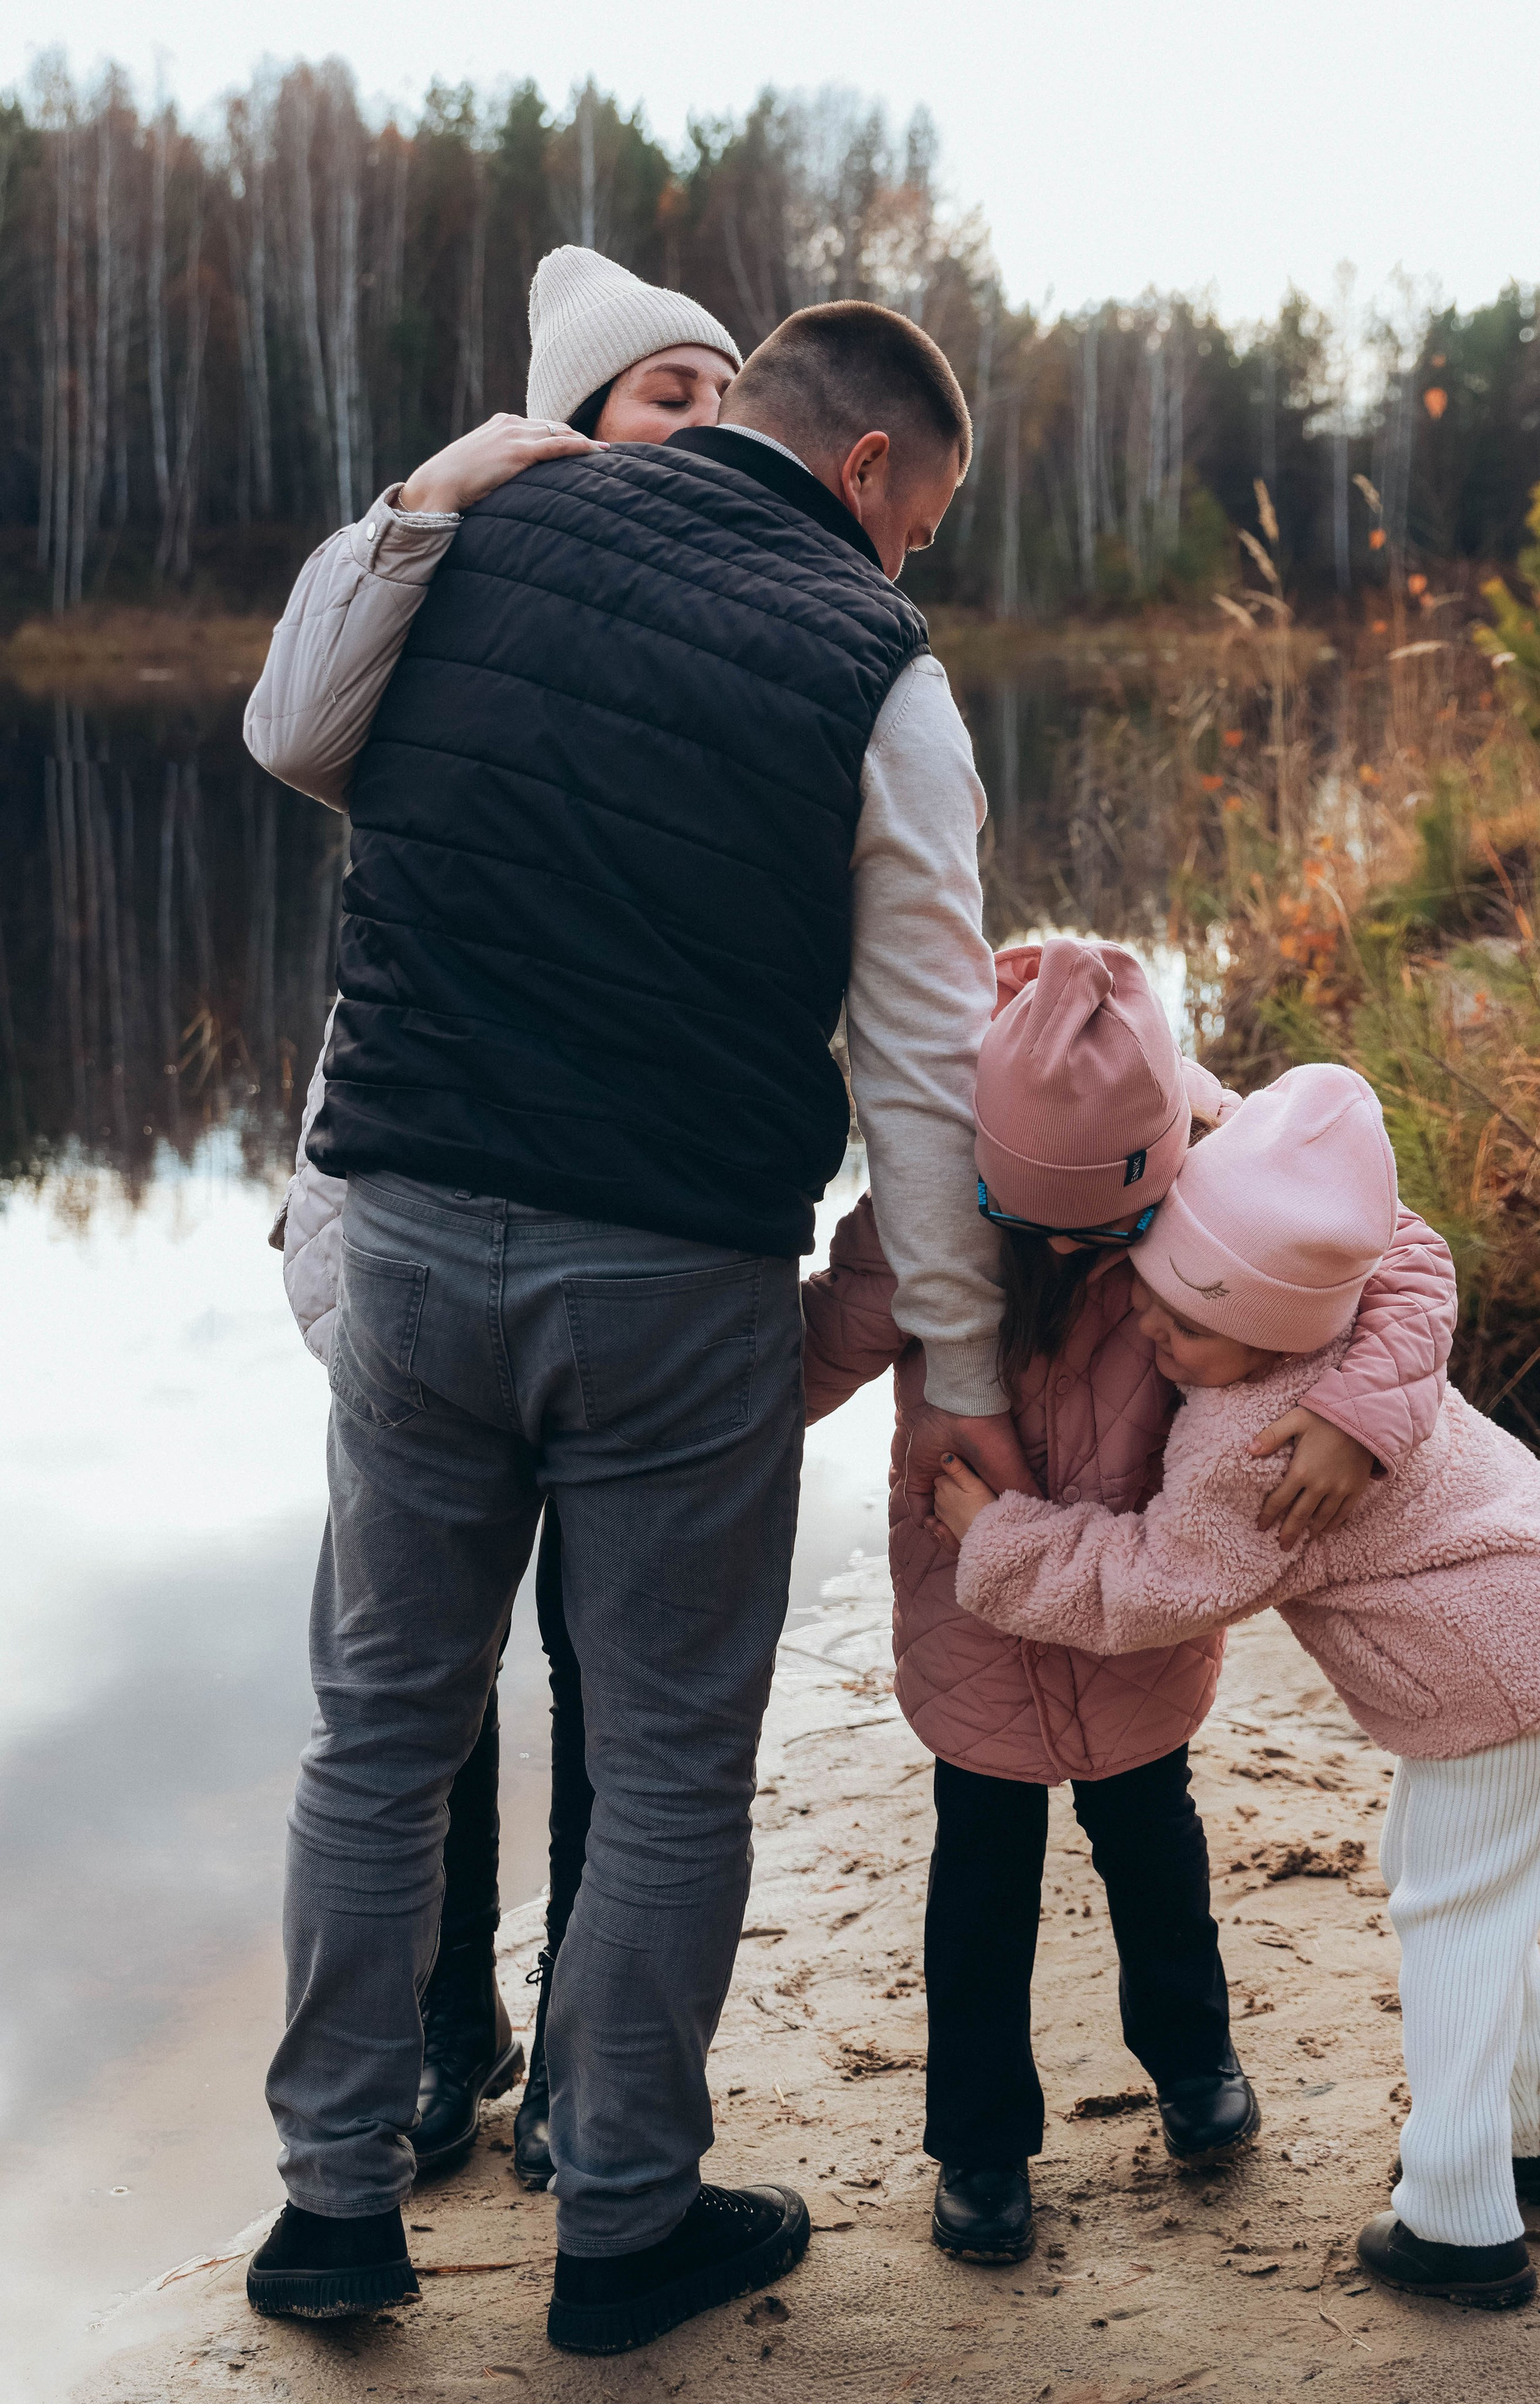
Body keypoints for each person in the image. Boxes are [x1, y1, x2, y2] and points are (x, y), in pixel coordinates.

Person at [245, 287, 1036, 2357]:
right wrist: (957, 1372)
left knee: (381, 1728)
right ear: (870, 468)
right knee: (674, 1758)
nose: (907, 566)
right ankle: (621, 2221)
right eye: (922, 523)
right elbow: (931, 1077)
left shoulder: (481, 535)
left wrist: (424, 489)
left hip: (407, 1233)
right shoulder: (879, 664)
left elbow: (292, 731)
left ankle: (331, 2209)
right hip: (670, 1278)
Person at [254, 249, 746, 2195]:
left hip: (629, 1229)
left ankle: (566, 2091)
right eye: (665, 396)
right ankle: (433, 2053)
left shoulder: (756, 614)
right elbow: (295, 731)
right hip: (418, 1213)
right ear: (572, 422)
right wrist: (430, 496)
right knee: (418, 1688)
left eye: (729, 396)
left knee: (606, 1680)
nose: (707, 428)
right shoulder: (441, 590)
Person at [932, 1062, 1540, 2312]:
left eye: (1186, 1329)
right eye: (1148, 1301)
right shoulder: (1323, 1301)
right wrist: (1170, 1091)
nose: (1153, 1334)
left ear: (1268, 1332)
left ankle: (1461, 2220)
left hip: (1502, 1662)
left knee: (1451, 1919)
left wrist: (1000, 1542)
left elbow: (1147, 1587)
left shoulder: (1239, 1442)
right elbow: (1274, 1155)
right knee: (1455, 1880)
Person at [801, 938, 1459, 2262]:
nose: (1061, 1246)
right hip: (971, 1606)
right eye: (1032, 1218)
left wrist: (1356, 1412)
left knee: (1157, 1848)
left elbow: (1406, 1258)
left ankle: (1194, 2064)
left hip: (1139, 1605)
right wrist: (639, 1432)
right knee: (978, 1880)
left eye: (1103, 1229)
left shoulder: (1221, 1157)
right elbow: (818, 1345)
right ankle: (982, 2145)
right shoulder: (928, 1194)